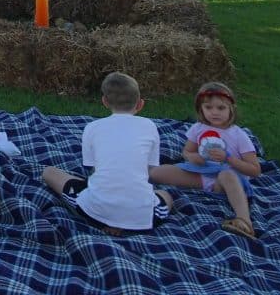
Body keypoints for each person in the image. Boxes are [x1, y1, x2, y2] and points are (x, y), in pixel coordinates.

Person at [42, 72, 173, 235]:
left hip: (95, 211)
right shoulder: (150, 126)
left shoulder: (92, 127)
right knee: (165, 194)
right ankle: (123, 219)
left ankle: (110, 218)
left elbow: (92, 169)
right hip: (142, 216)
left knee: (49, 172)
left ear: (104, 101)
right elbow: (150, 170)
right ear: (140, 104)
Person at [149, 82, 260, 239]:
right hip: (200, 173)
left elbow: (255, 170)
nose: (214, 113)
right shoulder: (199, 128)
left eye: (221, 108)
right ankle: (122, 182)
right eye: (208, 108)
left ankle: (244, 221)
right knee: (155, 172)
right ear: (200, 109)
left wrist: (228, 158)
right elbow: (187, 151)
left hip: (227, 182)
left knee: (226, 175)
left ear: (231, 110)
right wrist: (193, 157)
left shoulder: (238, 135)